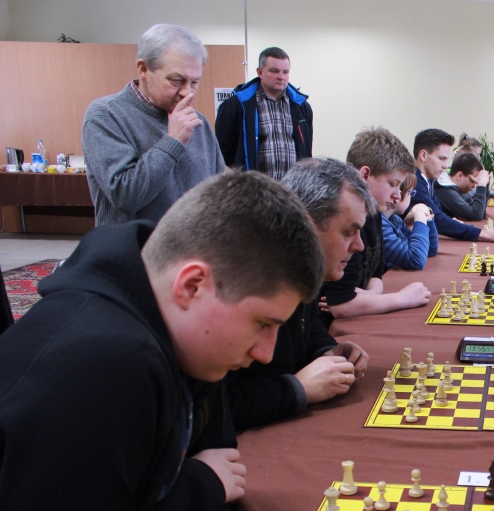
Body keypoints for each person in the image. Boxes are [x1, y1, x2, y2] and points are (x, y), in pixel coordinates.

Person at [0, 171, 324, 511]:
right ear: (191, 285)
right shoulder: (103, 371)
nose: (266, 353)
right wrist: (196, 489)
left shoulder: (190, 337)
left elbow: (222, 464)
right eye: (262, 323)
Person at [225, 158, 374, 432]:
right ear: (305, 224)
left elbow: (307, 323)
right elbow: (214, 406)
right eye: (348, 232)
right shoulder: (242, 285)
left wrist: (326, 350)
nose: (359, 245)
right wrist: (298, 388)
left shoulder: (302, 265)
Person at [83, 24, 224, 227]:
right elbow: (124, 196)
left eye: (194, 82)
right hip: (133, 246)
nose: (187, 93)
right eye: (176, 80)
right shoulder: (106, 115)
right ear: (144, 69)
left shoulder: (197, 122)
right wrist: (173, 141)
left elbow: (218, 190)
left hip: (190, 245)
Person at [319, 127, 431, 327]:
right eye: (393, 184)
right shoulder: (345, 219)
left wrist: (371, 295)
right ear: (365, 175)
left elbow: (376, 273)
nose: (397, 195)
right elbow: (341, 305)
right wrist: (402, 298)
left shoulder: (374, 214)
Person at [215, 47, 313, 178]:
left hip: (293, 187)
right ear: (260, 72)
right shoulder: (235, 106)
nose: (281, 77)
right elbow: (224, 151)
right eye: (274, 71)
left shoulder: (302, 107)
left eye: (285, 72)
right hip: (255, 187)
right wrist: (244, 176)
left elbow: (306, 149)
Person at [409, 128, 494, 244]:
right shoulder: (414, 183)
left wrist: (451, 220)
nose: (445, 165)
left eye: (446, 159)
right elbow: (438, 220)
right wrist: (486, 235)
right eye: (441, 158)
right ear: (423, 155)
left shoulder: (428, 180)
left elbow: (437, 212)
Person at [382, 174, 435, 270]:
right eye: (411, 192)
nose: (411, 197)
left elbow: (430, 250)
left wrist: (427, 217)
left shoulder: (395, 220)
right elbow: (416, 260)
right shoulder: (381, 225)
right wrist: (420, 217)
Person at [434, 152, 490, 221]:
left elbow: (480, 212)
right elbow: (476, 215)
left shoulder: (457, 188)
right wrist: (481, 185)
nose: (474, 186)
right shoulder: (446, 190)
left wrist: (485, 183)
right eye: (472, 181)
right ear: (459, 176)